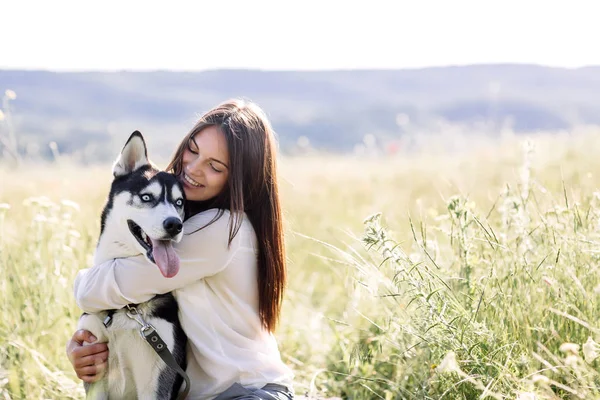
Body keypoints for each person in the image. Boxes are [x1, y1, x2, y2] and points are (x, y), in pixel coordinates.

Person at [66, 99, 295, 399]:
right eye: (194, 150)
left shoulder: (222, 229)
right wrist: (85, 343)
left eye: (215, 166)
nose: (194, 169)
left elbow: (109, 287)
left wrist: (83, 285)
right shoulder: (177, 220)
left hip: (248, 393)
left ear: (240, 178)